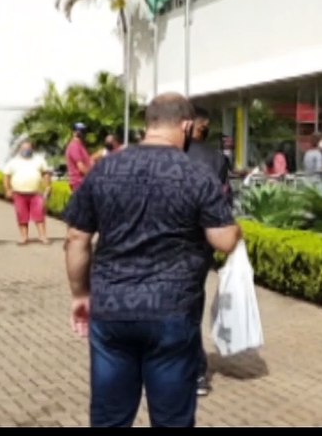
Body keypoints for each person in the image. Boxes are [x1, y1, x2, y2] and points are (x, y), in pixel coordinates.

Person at [62, 93, 242, 428]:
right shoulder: (197, 173)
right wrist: (237, 230)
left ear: (149, 124)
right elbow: (224, 240)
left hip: (112, 309)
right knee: (172, 420)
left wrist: (79, 294)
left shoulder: (105, 170)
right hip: (171, 312)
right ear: (186, 125)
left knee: (109, 419)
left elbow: (76, 238)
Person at [184, 105, 232, 397]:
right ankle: (196, 371)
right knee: (190, 307)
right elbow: (223, 206)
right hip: (199, 246)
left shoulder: (161, 155)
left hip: (166, 246)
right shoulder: (215, 159)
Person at [4, 139, 52, 245]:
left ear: (32, 149)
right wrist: (7, 189)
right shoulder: (13, 162)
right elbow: (6, 177)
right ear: (20, 149)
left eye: (28, 148)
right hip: (19, 193)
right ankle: (24, 237)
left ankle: (42, 236)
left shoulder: (39, 160)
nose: (26, 150)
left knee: (39, 215)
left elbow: (45, 173)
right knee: (22, 215)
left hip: (36, 193)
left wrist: (48, 186)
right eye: (24, 148)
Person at [65, 123, 93, 193]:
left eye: (83, 131)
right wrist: (94, 177)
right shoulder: (74, 146)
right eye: (80, 131)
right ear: (74, 132)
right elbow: (81, 167)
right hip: (79, 184)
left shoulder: (80, 145)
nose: (82, 133)